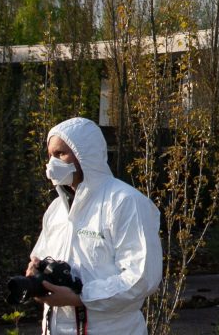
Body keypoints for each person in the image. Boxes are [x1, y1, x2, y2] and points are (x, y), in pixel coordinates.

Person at [26, 117, 163, 335]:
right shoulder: (56, 209)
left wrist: (81, 297)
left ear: (85, 155)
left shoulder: (125, 202)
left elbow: (141, 278)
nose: (53, 163)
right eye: (50, 155)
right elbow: (41, 256)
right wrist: (35, 272)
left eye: (60, 154)